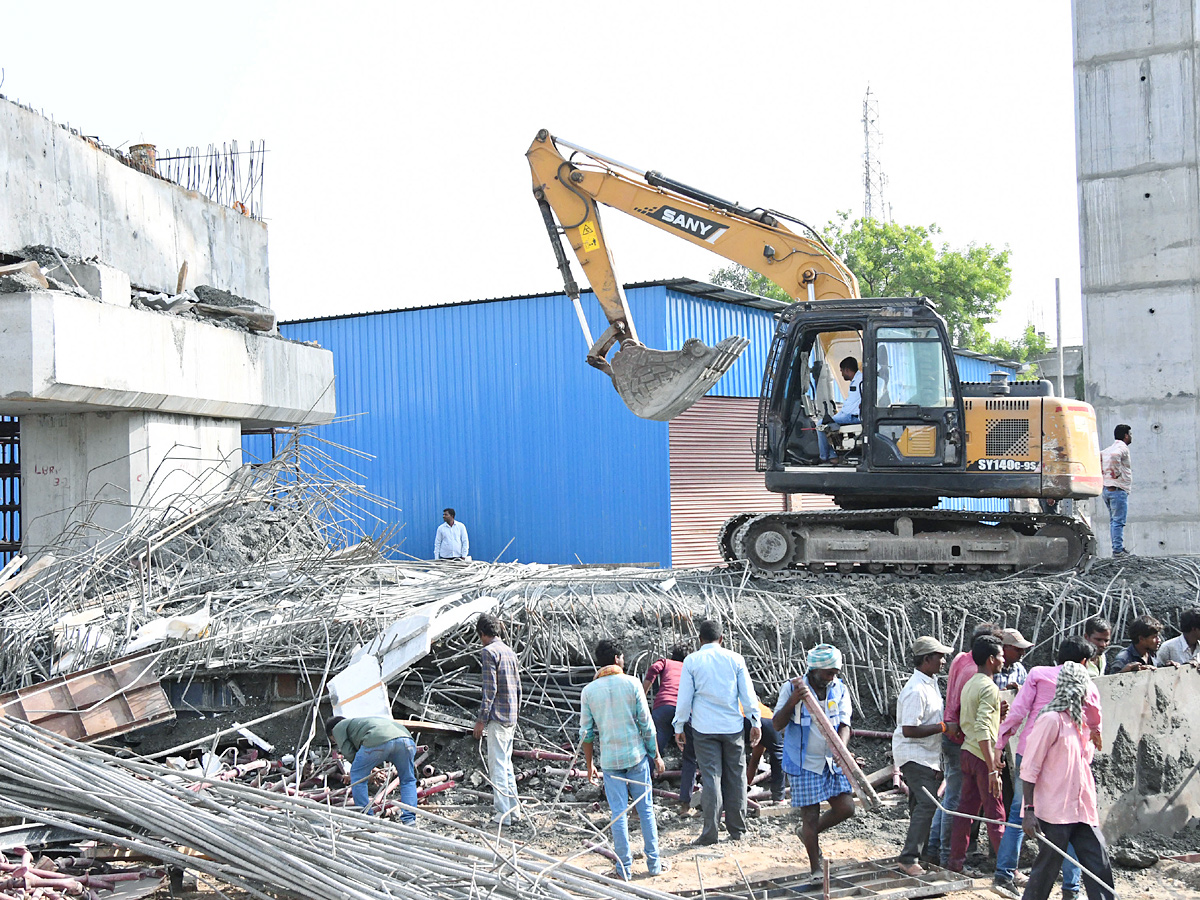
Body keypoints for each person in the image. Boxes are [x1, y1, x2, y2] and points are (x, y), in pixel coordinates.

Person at [993, 637, 1103, 895]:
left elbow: (1018, 711)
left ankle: (1004, 874)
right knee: (1070, 819)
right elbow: (1095, 712)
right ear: (1084, 662)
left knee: (1019, 812)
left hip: (1030, 752)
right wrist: (1096, 733)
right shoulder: (1085, 681)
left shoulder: (1038, 673)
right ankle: (1071, 887)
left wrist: (1001, 742)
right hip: (1065, 759)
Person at [1020, 662, 1117, 900]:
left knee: (1098, 863)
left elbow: (1085, 760)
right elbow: (1029, 768)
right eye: (1085, 688)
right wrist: (1029, 810)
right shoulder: (1051, 720)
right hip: (1054, 811)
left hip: (1082, 809)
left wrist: (1094, 725)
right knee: (1047, 868)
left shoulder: (1080, 723)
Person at [580, 639, 669, 880]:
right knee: (646, 811)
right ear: (618, 658)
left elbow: (585, 734)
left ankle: (624, 869)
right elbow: (647, 725)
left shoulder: (589, 691)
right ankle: (654, 865)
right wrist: (656, 755)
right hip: (636, 757)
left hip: (610, 762)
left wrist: (589, 765)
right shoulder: (632, 684)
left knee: (618, 814)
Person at [673, 619, 760, 847]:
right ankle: (738, 830)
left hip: (704, 729)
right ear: (722, 639)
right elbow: (748, 695)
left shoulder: (692, 661)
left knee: (711, 779)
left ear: (700, 640)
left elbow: (684, 699)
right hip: (733, 728)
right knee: (736, 777)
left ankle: (710, 833)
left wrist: (679, 726)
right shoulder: (735, 659)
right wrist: (755, 721)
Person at [773, 644, 856, 877]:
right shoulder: (792, 688)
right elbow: (777, 724)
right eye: (828, 673)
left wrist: (841, 749)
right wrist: (793, 701)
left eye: (835, 673)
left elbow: (845, 723)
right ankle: (815, 868)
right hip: (803, 762)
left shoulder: (839, 689)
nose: (832, 677)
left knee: (846, 807)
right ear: (814, 670)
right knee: (810, 814)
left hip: (830, 759)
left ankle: (807, 833)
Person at [938, 621, 1003, 866]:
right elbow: (983, 729)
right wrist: (993, 769)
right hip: (980, 754)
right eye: (1000, 656)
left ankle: (954, 861)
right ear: (990, 660)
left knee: (965, 812)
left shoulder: (970, 684)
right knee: (996, 813)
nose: (1004, 660)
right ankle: (1007, 867)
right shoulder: (989, 687)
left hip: (966, 752)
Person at [892, 636, 952, 877]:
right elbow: (909, 729)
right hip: (914, 754)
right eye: (940, 657)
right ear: (927, 659)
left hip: (926, 754)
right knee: (928, 803)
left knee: (920, 803)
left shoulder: (930, 682)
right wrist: (944, 727)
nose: (944, 661)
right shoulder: (916, 690)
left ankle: (921, 854)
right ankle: (908, 858)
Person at [472, 613, 522, 824]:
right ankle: (514, 811)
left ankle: (503, 815)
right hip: (510, 717)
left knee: (498, 768)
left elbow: (489, 690)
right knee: (507, 766)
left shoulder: (488, 652)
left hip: (497, 719)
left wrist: (481, 720)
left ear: (482, 634)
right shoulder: (509, 652)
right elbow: (518, 687)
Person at [325, 715, 418, 823]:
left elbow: (349, 753)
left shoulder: (338, 727)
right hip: (406, 740)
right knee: (408, 780)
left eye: (334, 740)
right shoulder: (364, 722)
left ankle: (367, 819)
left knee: (357, 777)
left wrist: (360, 770)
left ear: (332, 732)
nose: (336, 742)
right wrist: (371, 769)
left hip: (378, 741)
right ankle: (409, 820)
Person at [643, 643, 699, 815]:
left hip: (663, 708)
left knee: (653, 751)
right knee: (690, 756)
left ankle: (643, 799)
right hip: (686, 711)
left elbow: (654, 669)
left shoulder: (666, 662)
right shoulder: (693, 668)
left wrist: (642, 696)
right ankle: (684, 804)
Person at [818, 357, 863, 463]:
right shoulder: (856, 380)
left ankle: (825, 457)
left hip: (852, 416)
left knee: (820, 425)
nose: (842, 374)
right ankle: (833, 455)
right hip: (847, 414)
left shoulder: (861, 380)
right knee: (827, 423)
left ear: (847, 370)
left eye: (842, 371)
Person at [1099, 424, 1132, 557]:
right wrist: (1115, 474)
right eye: (1130, 434)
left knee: (1114, 521)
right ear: (1125, 435)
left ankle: (1118, 548)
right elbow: (1114, 456)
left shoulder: (1109, 448)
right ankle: (1118, 550)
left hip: (1108, 489)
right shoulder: (1121, 448)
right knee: (1118, 521)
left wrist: (1105, 475)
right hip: (1117, 490)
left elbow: (1100, 456)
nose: (1131, 437)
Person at [745, 701, 785, 803]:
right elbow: (754, 762)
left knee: (730, 751)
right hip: (767, 721)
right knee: (778, 756)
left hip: (743, 717)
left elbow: (754, 762)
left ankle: (731, 796)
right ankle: (779, 798)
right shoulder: (771, 718)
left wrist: (747, 783)